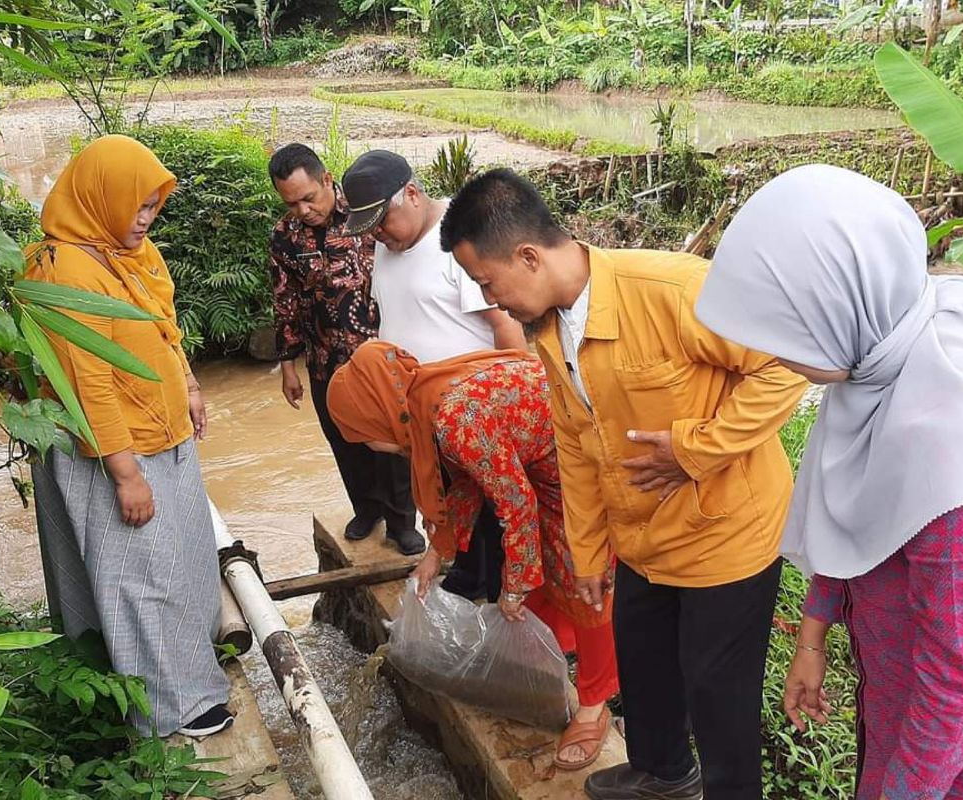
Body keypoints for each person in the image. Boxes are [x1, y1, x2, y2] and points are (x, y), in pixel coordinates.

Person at [695, 164, 963, 800]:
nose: (767, 355)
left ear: (843, 303)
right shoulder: (891, 352)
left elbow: (962, 677)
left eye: (783, 331)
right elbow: (857, 506)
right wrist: (811, 635)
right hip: (921, 690)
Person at [439, 168, 808, 800]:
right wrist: (587, 551)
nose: (491, 303)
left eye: (488, 284)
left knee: (720, 698)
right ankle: (663, 773)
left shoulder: (673, 288)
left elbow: (786, 365)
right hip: (642, 541)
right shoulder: (552, 331)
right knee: (646, 669)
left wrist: (694, 449)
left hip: (726, 537)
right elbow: (577, 448)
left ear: (527, 257)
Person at [326, 340, 620, 769]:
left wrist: (514, 588)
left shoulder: (455, 419)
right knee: (534, 568)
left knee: (584, 579)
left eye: (363, 433)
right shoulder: (429, 396)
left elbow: (516, 504)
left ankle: (595, 702)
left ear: (378, 411)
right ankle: (551, 651)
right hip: (540, 460)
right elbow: (470, 482)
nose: (368, 446)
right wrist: (437, 552)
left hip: (576, 465)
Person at [24, 135, 232, 738]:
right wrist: (125, 473)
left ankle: (185, 669)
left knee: (184, 559)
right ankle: (174, 707)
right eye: (136, 206)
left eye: (152, 206)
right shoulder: (63, 268)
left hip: (157, 436)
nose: (145, 219)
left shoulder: (127, 254)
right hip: (115, 451)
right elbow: (87, 381)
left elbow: (162, 332)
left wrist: (189, 385)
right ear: (99, 196)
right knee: (143, 578)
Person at [340, 150, 528, 601]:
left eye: (383, 222)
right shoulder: (389, 248)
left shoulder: (460, 238)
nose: (380, 236)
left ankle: (508, 590)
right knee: (449, 504)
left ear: (412, 193)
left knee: (493, 506)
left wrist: (522, 397)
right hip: (428, 419)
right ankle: (467, 575)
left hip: (477, 413)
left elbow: (506, 326)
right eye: (370, 230)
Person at [267, 143, 422, 555]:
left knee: (394, 439)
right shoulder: (285, 237)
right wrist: (288, 366)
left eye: (309, 198)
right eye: (291, 202)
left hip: (381, 355)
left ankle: (403, 521)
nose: (302, 209)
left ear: (327, 181)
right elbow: (286, 302)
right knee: (344, 440)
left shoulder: (366, 214)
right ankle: (367, 509)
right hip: (325, 359)